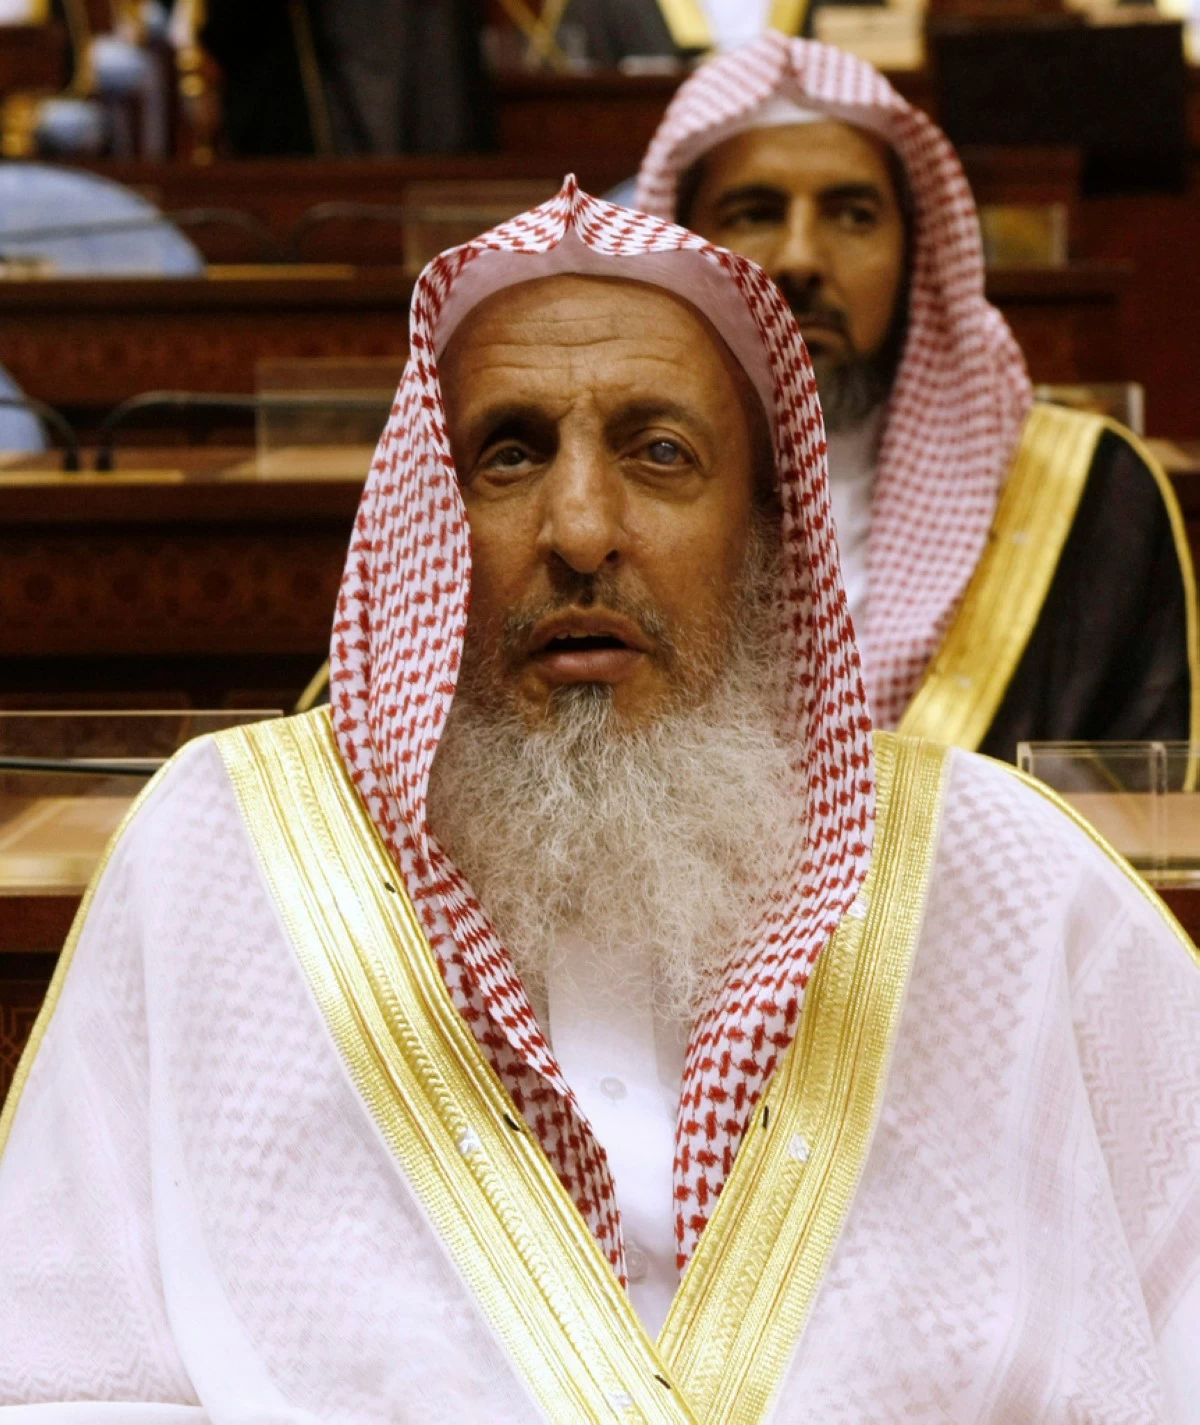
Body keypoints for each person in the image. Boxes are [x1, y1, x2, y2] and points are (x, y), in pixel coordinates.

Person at [1, 181, 1197, 1421]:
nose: (579, 528)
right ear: (424, 518)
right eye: (508, 453)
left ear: (769, 531)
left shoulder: (1004, 876)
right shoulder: (223, 855)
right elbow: (60, 1381)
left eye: (660, 452)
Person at [636, 32, 1199, 758]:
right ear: (682, 249)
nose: (803, 258)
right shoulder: (590, 501)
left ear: (915, 255)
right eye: (754, 213)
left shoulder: (1089, 495)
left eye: (853, 215)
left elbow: (1136, 819)